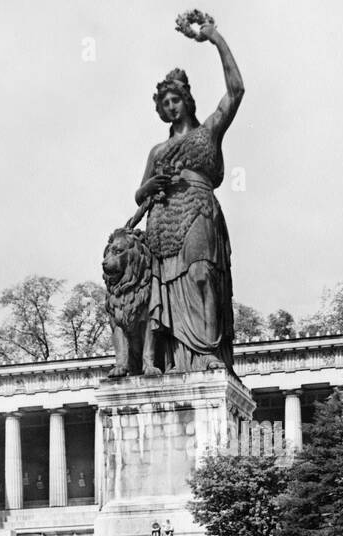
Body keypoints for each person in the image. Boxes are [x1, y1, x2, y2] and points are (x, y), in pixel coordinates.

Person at [135, 18, 244, 373]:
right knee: (166, 291)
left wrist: (215, 37)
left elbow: (236, 91)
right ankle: (176, 361)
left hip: (198, 207)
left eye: (175, 99)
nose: (171, 106)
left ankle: (209, 350)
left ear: (187, 100)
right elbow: (139, 194)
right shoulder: (158, 150)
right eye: (165, 103)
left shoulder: (209, 130)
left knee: (201, 274)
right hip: (163, 222)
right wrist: (151, 187)